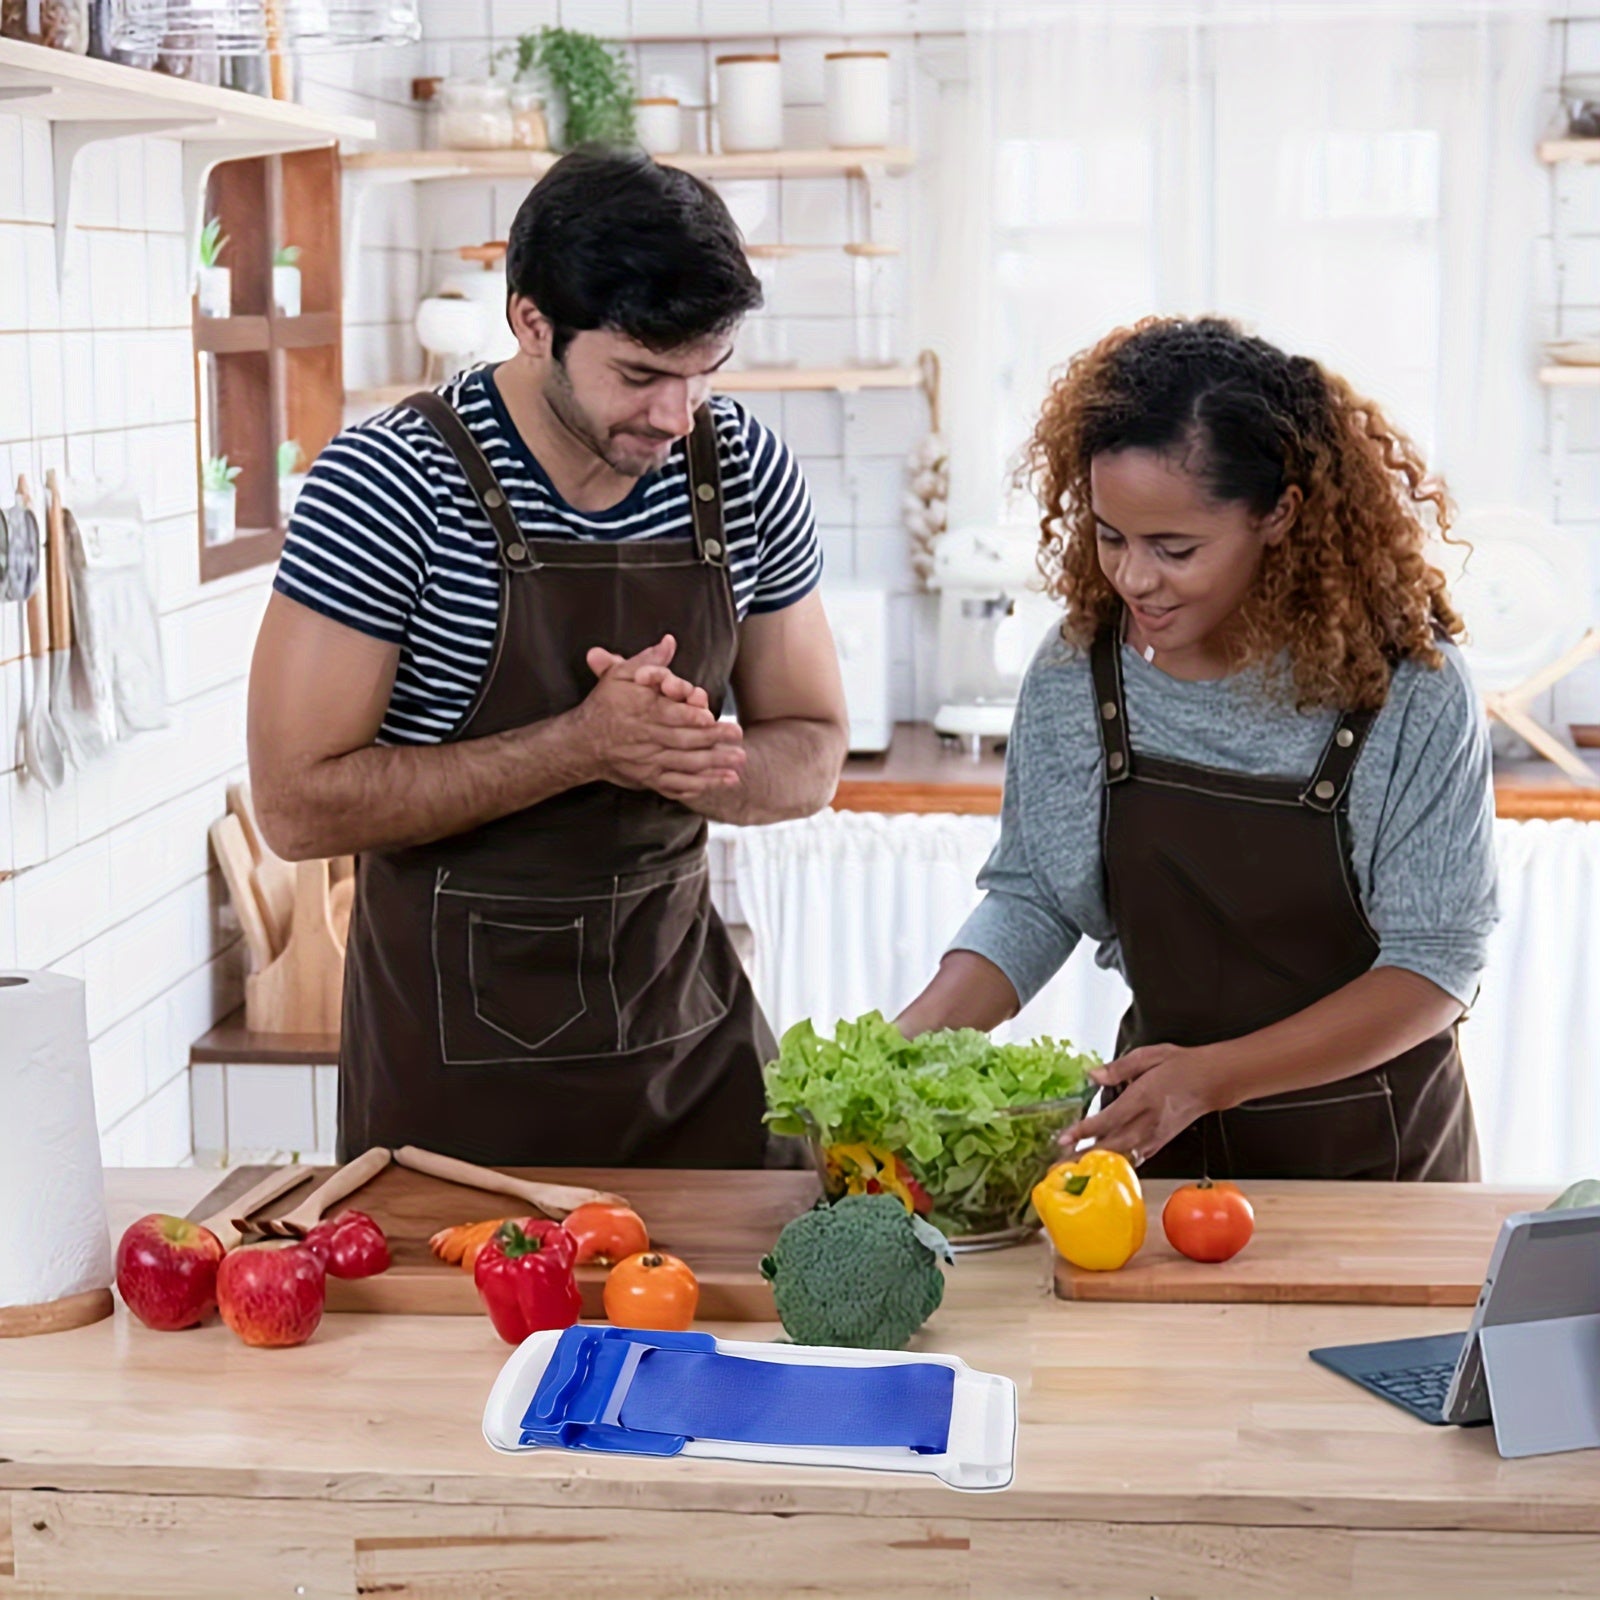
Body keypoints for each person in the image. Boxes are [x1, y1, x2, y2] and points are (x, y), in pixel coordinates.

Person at [248, 148, 848, 1168]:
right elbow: (296, 806)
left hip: (689, 1062)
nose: (677, 416)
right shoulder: (390, 482)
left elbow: (816, 748)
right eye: (641, 374)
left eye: (704, 374)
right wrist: (580, 746)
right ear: (532, 322)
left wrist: (685, 756)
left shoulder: (740, 468)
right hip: (454, 1102)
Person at [896, 316, 1495, 1181]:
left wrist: (1213, 1079)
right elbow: (1036, 896)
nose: (1134, 578)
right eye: (1110, 536)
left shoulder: (1407, 689)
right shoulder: (1080, 671)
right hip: (1160, 1143)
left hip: (1381, 1160)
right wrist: (902, 1047)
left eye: (1175, 549)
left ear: (1280, 514)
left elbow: (1434, 966)